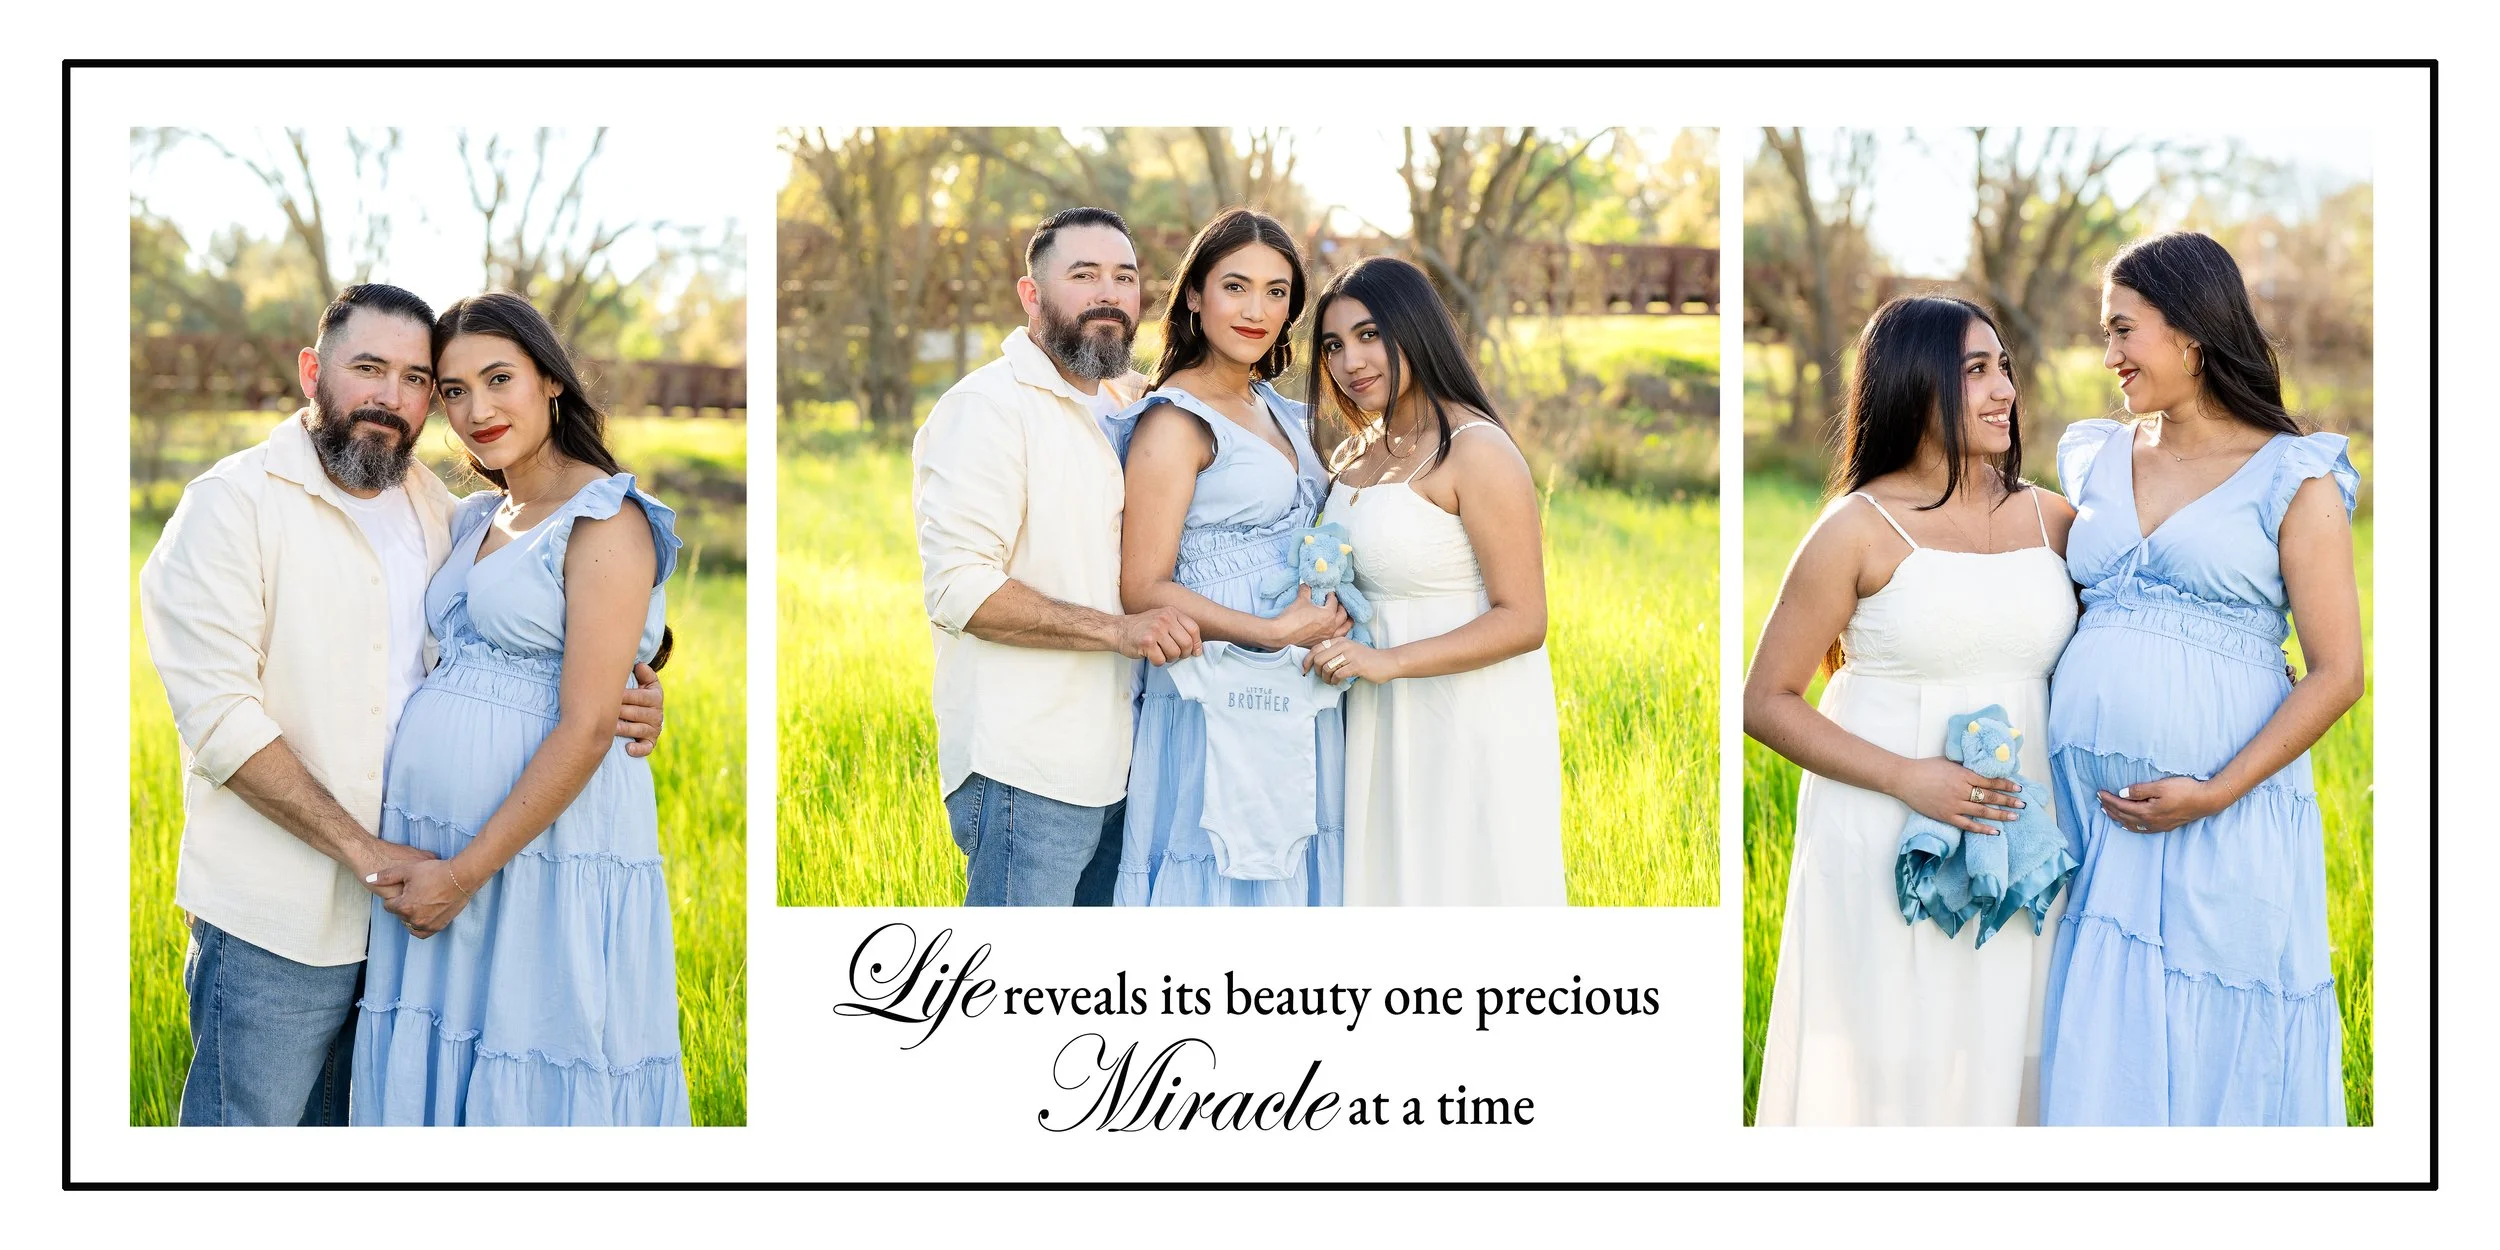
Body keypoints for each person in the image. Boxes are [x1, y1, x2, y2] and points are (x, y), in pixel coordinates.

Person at [138, 284, 663, 1127]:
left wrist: (637, 684)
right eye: (368, 368)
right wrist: (370, 854)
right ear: (314, 371)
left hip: (423, 928)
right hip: (289, 918)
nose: (394, 396)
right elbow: (219, 721)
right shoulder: (231, 504)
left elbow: (540, 606)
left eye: (419, 379)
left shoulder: (438, 509)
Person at [2038, 232, 2363, 1126]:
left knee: (2214, 1039)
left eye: (2123, 331)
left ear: (2189, 333)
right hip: (2088, 820)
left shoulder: (2293, 476)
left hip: (2225, 813)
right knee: (2101, 1051)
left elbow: (2338, 673)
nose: (2109, 357)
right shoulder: (2094, 457)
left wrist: (2214, 792)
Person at [351, 292, 687, 1125]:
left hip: (537, 857)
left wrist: (463, 876)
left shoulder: (604, 517)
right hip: (440, 849)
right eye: (454, 390)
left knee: (534, 1058)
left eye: (499, 379)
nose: (476, 410)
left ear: (552, 384)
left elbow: (585, 721)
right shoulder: (473, 516)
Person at [1744, 295, 2079, 1125]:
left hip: (2023, 838)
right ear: (1913, 386)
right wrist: (1907, 779)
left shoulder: (2056, 520)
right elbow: (1765, 700)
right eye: (1975, 371)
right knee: (1895, 1055)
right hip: (1883, 828)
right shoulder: (1857, 529)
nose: (2004, 389)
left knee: (2009, 1047)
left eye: (2004, 367)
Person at [911, 206, 1200, 906]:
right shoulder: (987, 408)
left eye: (1124, 277)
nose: (1109, 293)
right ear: (1031, 295)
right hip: (1027, 770)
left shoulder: (1130, 405)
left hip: (1128, 764)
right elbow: (959, 589)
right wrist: (1118, 630)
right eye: (1084, 275)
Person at [1303, 255, 1564, 905]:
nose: (1351, 362)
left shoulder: (1476, 450)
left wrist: (1388, 661)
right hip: (1373, 715)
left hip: (1463, 718)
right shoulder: (1353, 455)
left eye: (1370, 335)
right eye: (1333, 346)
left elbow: (1524, 619)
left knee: (1456, 884)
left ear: (1414, 329)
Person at [1114, 208, 1350, 906]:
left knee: (1298, 861)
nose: (1258, 310)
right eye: (1236, 287)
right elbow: (1142, 587)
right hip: (1220, 688)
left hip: (1299, 690)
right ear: (1194, 295)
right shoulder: (1174, 420)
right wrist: (1275, 632)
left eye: (1277, 292)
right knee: (1225, 872)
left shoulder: (1275, 406)